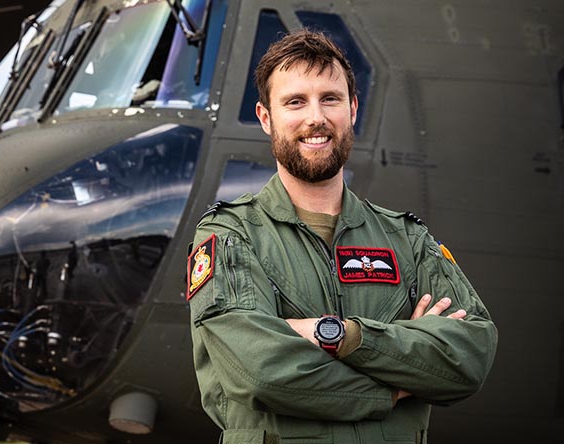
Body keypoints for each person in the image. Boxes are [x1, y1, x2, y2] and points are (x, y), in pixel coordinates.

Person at [187, 30, 497, 444]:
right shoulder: (231, 235)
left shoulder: (407, 239)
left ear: (352, 108)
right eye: (295, 101)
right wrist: (396, 385)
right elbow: (259, 372)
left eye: (330, 99)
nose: (316, 117)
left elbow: (469, 356)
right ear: (266, 118)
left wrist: (341, 335)